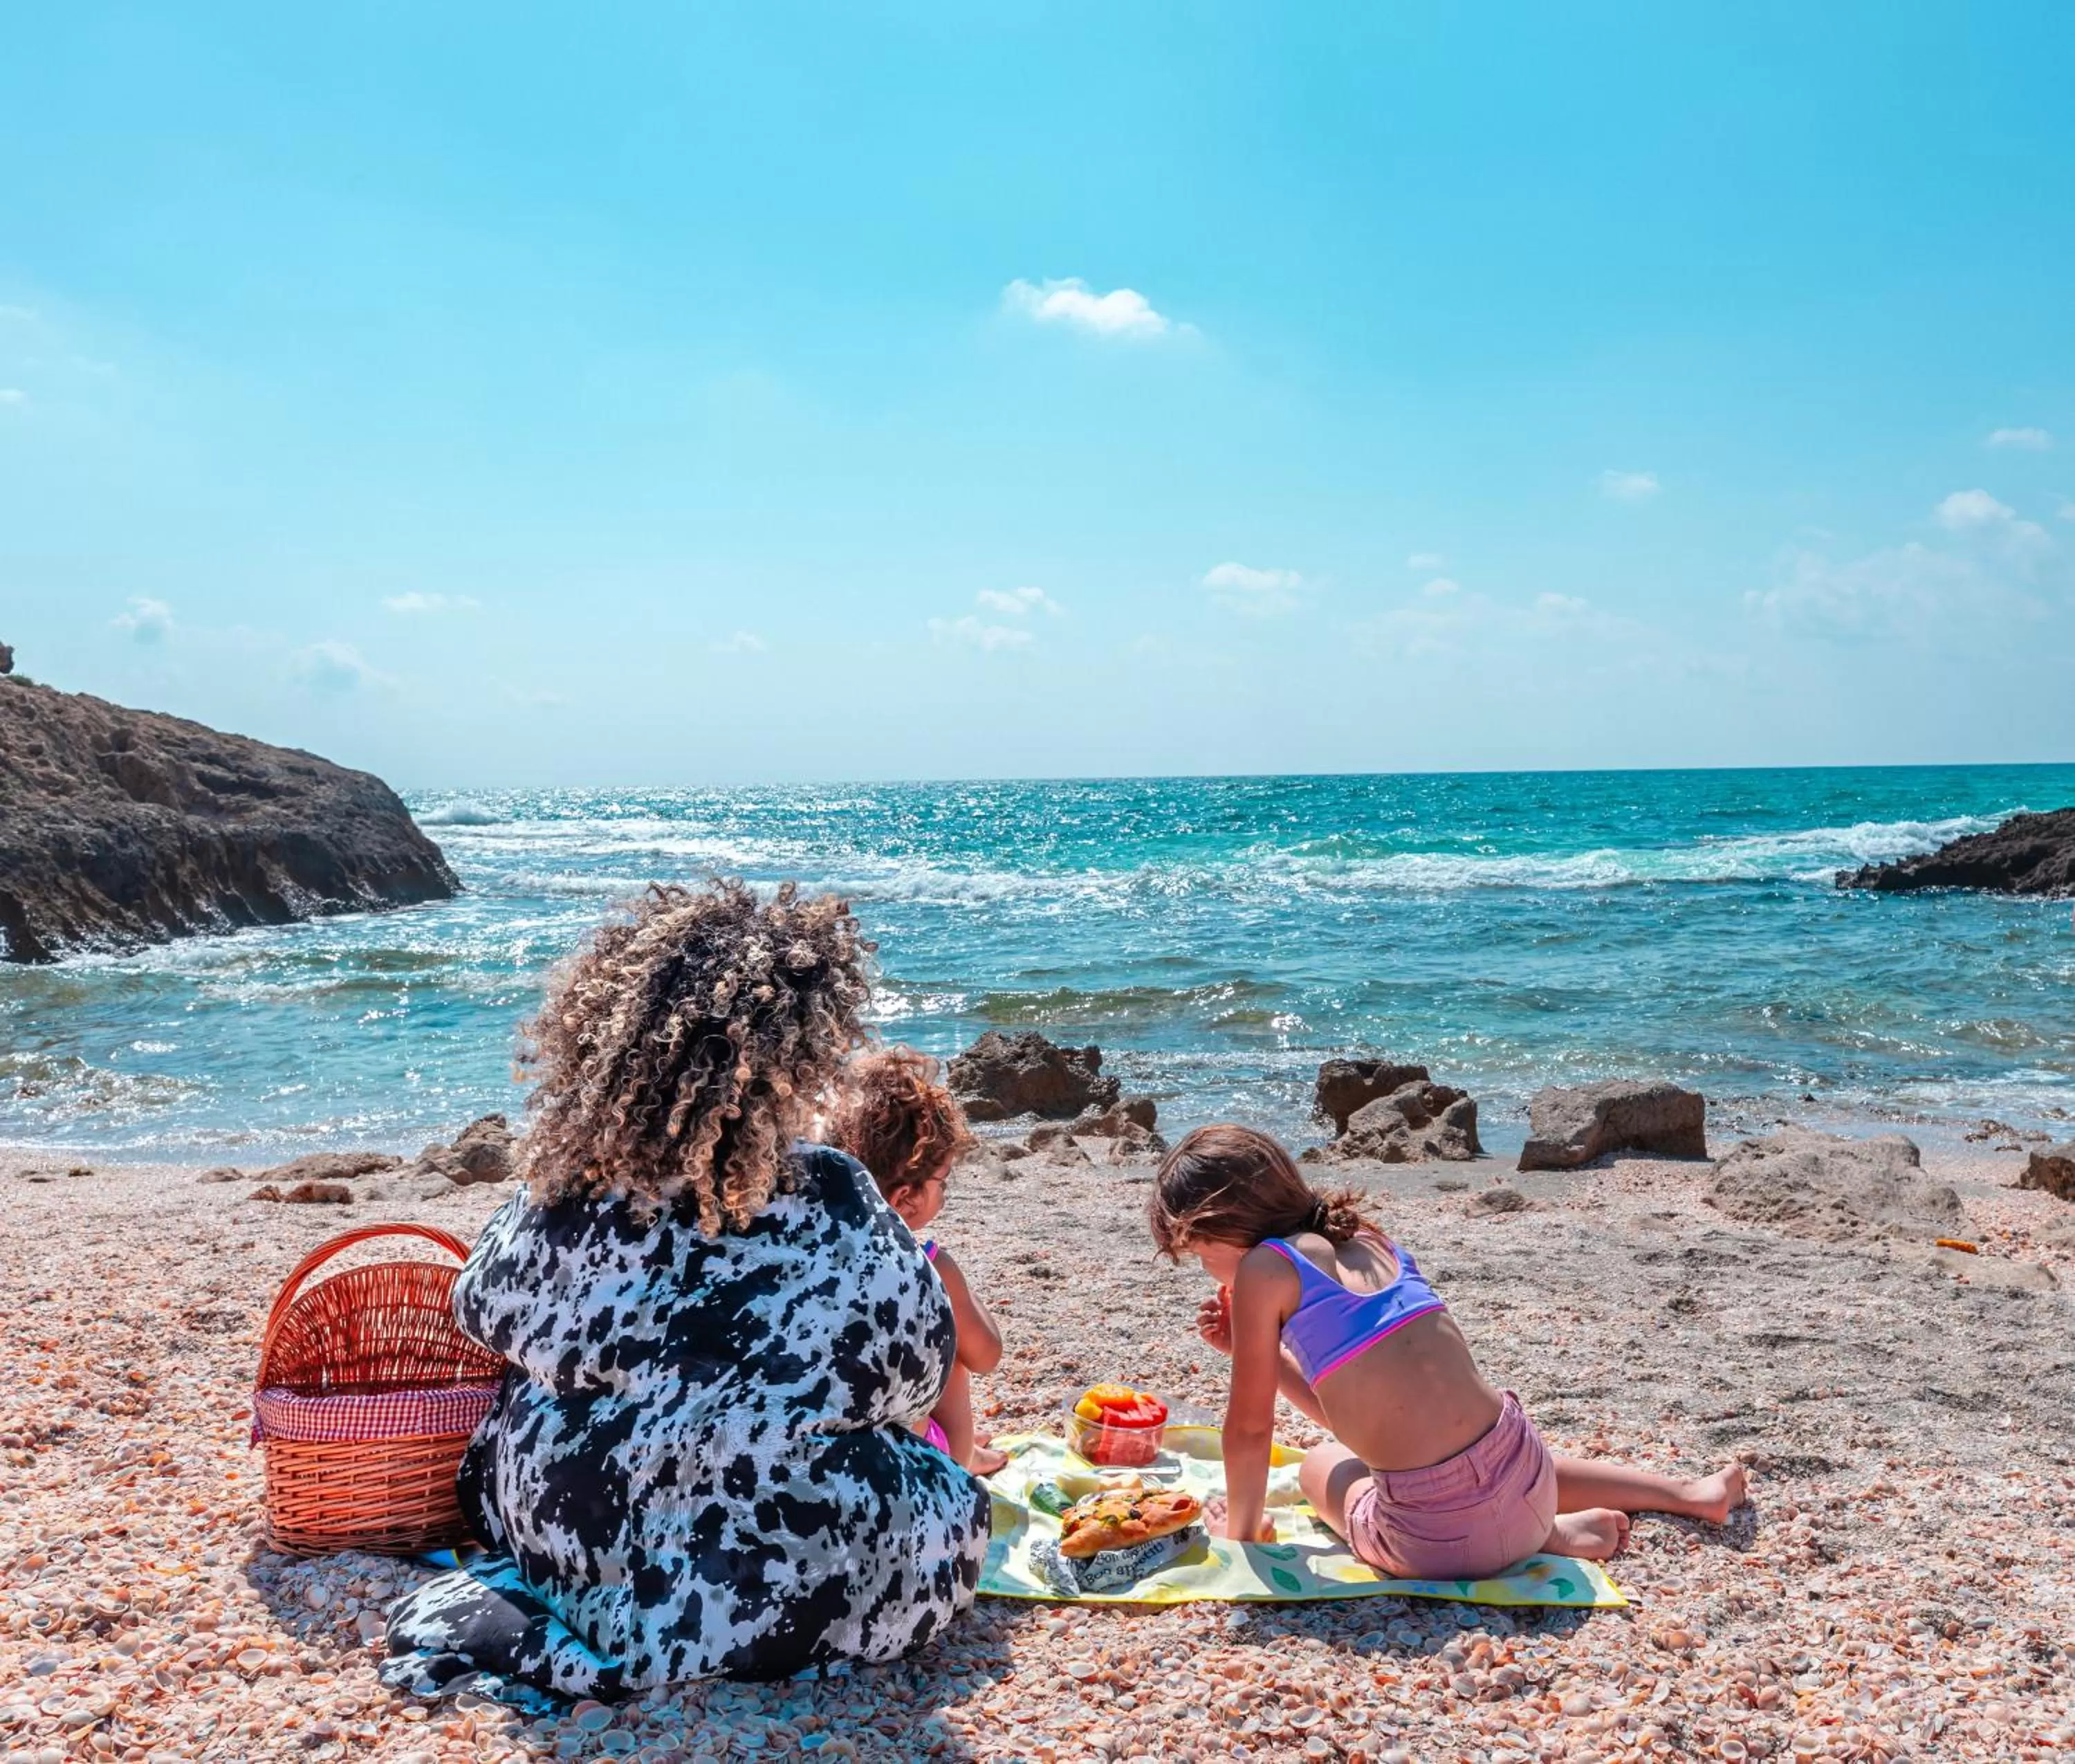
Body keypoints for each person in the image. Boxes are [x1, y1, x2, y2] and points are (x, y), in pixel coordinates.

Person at [383, 881, 990, 1702]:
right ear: (800, 1059)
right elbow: (920, 1368)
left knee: (525, 1414)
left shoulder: (565, 1194)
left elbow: (479, 1307)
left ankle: (626, 1614)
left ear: (609, 1044)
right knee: (942, 1495)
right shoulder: (838, 1193)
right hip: (810, 1585)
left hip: (597, 1546)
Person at [1147, 1123, 1744, 1580]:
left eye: (1200, 1253)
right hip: (1527, 1472)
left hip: (1436, 1541)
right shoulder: (1370, 1241)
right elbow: (1374, 1422)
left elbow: (1250, 1432)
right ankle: (1682, 1496)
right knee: (1464, 1455)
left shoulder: (1263, 1267)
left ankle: (1534, 1539)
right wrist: (1256, 1354)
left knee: (1318, 1465)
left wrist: (1244, 1535)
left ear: (1224, 1225)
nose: (1205, 1270)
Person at [824, 1047, 1008, 1475]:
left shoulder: (807, 1248)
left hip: (830, 1450)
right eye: (942, 1182)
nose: (945, 1194)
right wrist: (953, 1282)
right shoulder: (926, 1264)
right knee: (952, 1349)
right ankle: (963, 1456)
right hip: (909, 1469)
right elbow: (987, 1357)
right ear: (905, 1198)